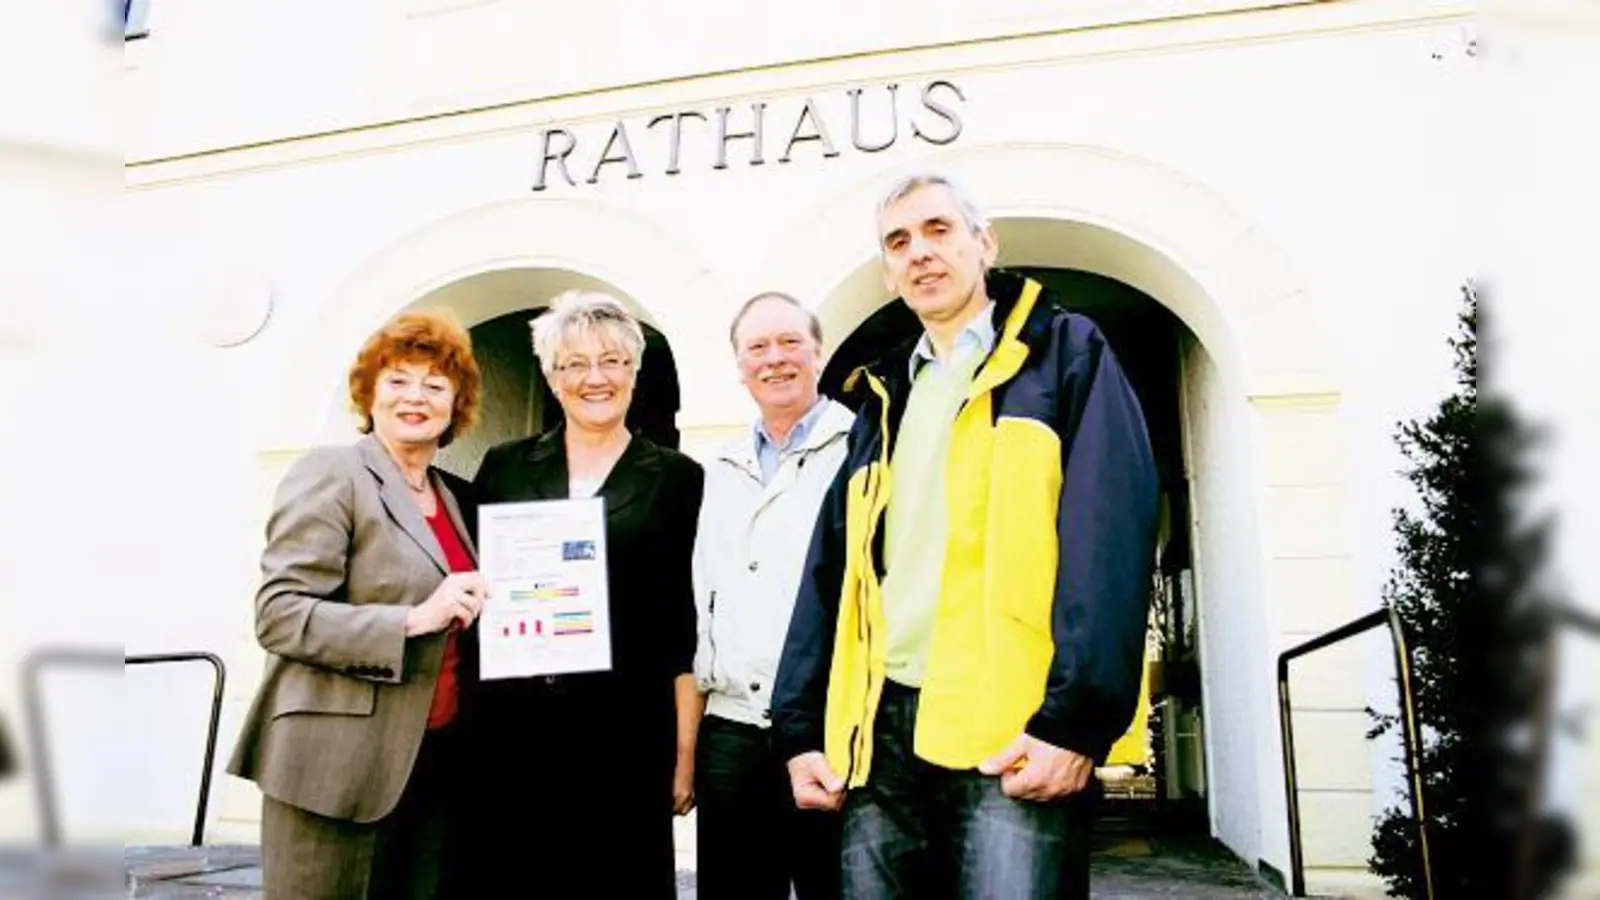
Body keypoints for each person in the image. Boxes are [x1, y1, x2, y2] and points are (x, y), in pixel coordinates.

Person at [771, 172, 1160, 899]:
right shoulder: (881, 399)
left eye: (938, 229)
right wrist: (799, 733)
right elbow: (832, 574)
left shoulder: (1067, 354)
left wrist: (1074, 725)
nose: (919, 252)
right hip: (878, 735)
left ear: (985, 244)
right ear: (888, 273)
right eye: (898, 241)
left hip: (1011, 726)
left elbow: (1110, 539)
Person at [228, 309, 486, 899]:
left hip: (431, 760)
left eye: (435, 384)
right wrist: (414, 618)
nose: (415, 397)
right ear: (369, 392)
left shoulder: (451, 497)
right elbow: (281, 613)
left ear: (456, 405)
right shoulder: (333, 472)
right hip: (334, 766)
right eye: (397, 380)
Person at [462, 290, 703, 899]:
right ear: (551, 375)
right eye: (574, 364)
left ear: (634, 371)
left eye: (612, 361)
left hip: (626, 739)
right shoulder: (505, 465)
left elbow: (685, 624)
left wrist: (683, 751)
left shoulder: (677, 478)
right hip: (512, 734)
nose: (595, 378)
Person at [689, 292, 852, 899]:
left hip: (830, 727)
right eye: (757, 347)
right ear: (738, 364)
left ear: (818, 352)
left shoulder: (860, 448)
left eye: (789, 343)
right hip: (731, 733)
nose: (774, 359)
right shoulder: (717, 469)